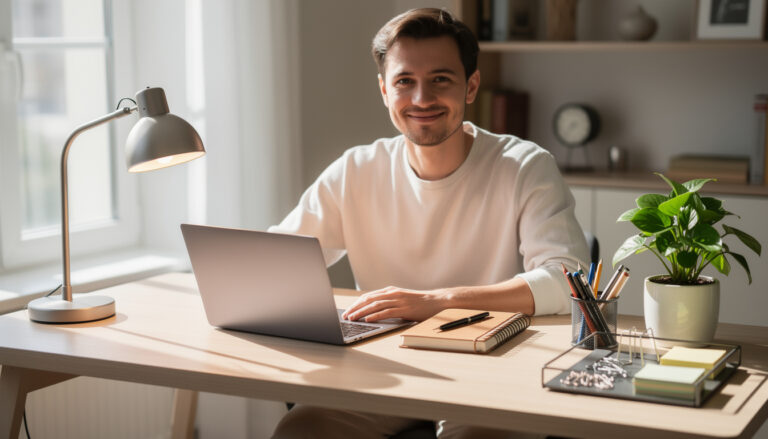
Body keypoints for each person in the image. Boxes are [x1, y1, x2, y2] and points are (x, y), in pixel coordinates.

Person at [269, 7, 588, 439]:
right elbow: (276, 262)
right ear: (384, 90)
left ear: (471, 86)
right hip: (386, 368)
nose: (421, 99)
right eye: (405, 82)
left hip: (492, 369)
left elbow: (567, 282)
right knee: (302, 430)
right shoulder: (357, 170)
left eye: (440, 79)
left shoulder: (524, 166)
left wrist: (435, 301)